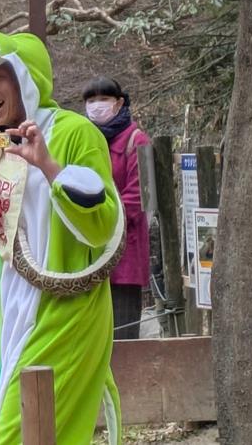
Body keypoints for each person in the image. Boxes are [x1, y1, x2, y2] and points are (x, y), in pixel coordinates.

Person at [0, 32, 123, 444]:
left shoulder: (75, 132)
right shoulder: (0, 143)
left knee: (17, 435)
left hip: (66, 307)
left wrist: (48, 166)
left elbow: (102, 226)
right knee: (38, 433)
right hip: (15, 304)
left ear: (26, 77)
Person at [83, 76, 152, 340]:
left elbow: (137, 199)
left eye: (104, 99)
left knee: (122, 342)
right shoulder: (85, 139)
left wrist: (96, 219)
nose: (97, 105)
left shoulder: (137, 141)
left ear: (119, 102)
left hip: (125, 256)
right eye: (91, 100)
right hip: (88, 258)